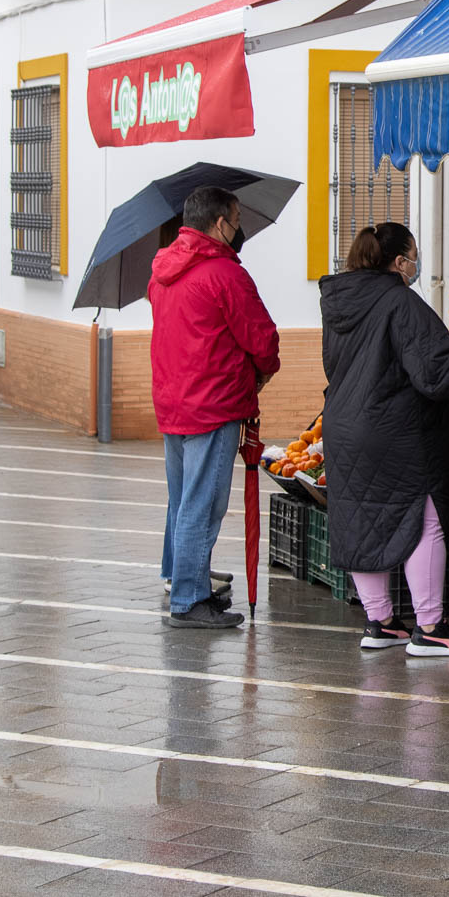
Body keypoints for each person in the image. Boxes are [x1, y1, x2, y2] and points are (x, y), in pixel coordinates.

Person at [320, 222, 449, 656]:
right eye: (413, 255)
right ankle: (429, 628)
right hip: (395, 432)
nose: (416, 264)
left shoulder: (339, 302)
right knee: (423, 519)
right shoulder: (399, 302)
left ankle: (380, 622)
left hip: (343, 426)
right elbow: (435, 372)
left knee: (360, 519)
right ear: (398, 262)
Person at [149, 186, 280, 630]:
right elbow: (261, 338)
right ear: (220, 223)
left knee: (183, 499)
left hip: (174, 403)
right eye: (237, 218)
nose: (239, 227)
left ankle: (186, 583)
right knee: (202, 505)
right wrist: (263, 369)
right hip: (214, 403)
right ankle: (188, 600)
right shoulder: (225, 276)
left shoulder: (163, 272)